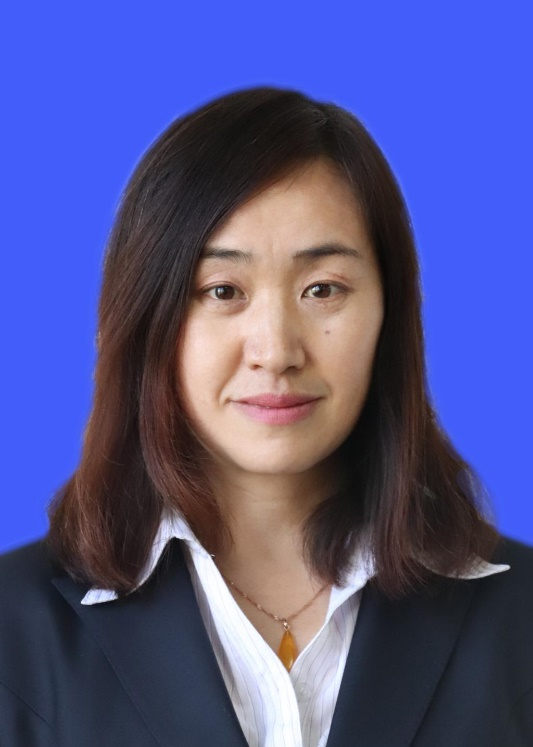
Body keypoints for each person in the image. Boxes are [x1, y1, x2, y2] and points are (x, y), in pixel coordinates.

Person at [0, 85, 532, 747]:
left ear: (389, 314)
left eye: (322, 289)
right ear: (147, 319)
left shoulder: (518, 620)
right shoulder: (14, 632)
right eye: (222, 290)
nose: (276, 351)